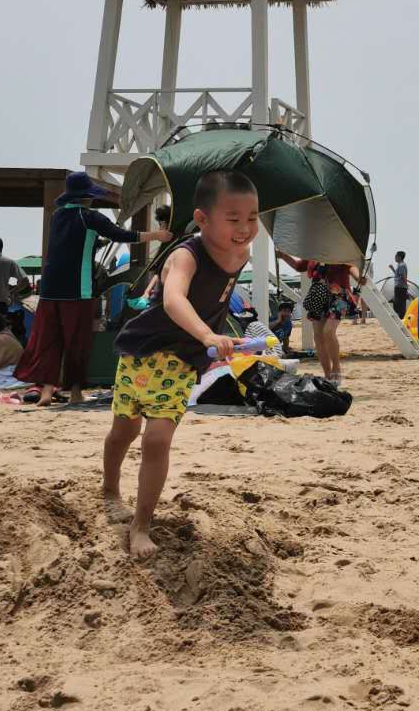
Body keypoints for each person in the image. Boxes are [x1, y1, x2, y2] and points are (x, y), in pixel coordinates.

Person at [102, 170, 257, 559]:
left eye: (253, 218)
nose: (245, 228)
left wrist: (221, 336)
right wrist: (207, 336)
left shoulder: (242, 253)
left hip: (181, 361)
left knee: (156, 439)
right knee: (123, 431)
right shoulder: (185, 254)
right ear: (202, 219)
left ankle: (141, 525)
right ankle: (109, 491)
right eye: (233, 218)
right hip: (142, 349)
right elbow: (174, 301)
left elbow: (217, 300)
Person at [14, 172, 173, 407]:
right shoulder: (90, 217)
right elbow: (123, 235)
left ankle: (47, 391)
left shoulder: (57, 215)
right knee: (76, 342)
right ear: (87, 197)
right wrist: (158, 235)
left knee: (50, 340)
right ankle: (76, 392)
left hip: (49, 289)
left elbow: (71, 242)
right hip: (77, 289)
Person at [275, 249, 361, 386]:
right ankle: (327, 375)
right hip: (318, 296)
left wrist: (358, 277)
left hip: (338, 295)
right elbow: (298, 266)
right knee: (318, 337)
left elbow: (351, 267)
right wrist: (282, 255)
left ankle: (336, 369)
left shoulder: (339, 250)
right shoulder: (314, 251)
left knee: (328, 332)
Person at [390, 251, 409, 318]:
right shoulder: (400, 265)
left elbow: (403, 276)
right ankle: (402, 317)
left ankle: (402, 318)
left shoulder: (401, 265)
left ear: (399, 257)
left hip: (401, 287)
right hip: (399, 286)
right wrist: (392, 269)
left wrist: (406, 285)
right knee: (397, 303)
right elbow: (398, 275)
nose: (395, 257)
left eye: (396, 256)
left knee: (400, 304)